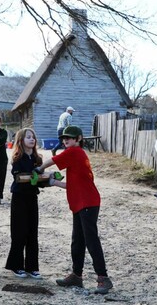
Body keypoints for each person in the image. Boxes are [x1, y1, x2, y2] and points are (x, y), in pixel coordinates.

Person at [34, 125, 113, 294]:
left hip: (87, 203)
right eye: (63, 138)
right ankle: (76, 276)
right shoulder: (76, 156)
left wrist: (40, 169)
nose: (65, 140)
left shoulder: (75, 152)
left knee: (91, 240)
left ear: (78, 139)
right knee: (77, 240)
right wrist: (54, 182)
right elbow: (73, 184)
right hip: (81, 203)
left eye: (69, 137)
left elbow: (52, 160)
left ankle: (103, 278)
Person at [5, 128, 43, 279]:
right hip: (19, 197)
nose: (32, 139)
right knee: (19, 232)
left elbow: (40, 179)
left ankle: (32, 267)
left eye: (33, 137)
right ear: (21, 140)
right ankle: (16, 265)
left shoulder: (37, 159)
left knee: (32, 232)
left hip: (32, 197)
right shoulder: (18, 158)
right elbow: (19, 177)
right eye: (28, 137)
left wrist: (48, 178)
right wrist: (34, 177)